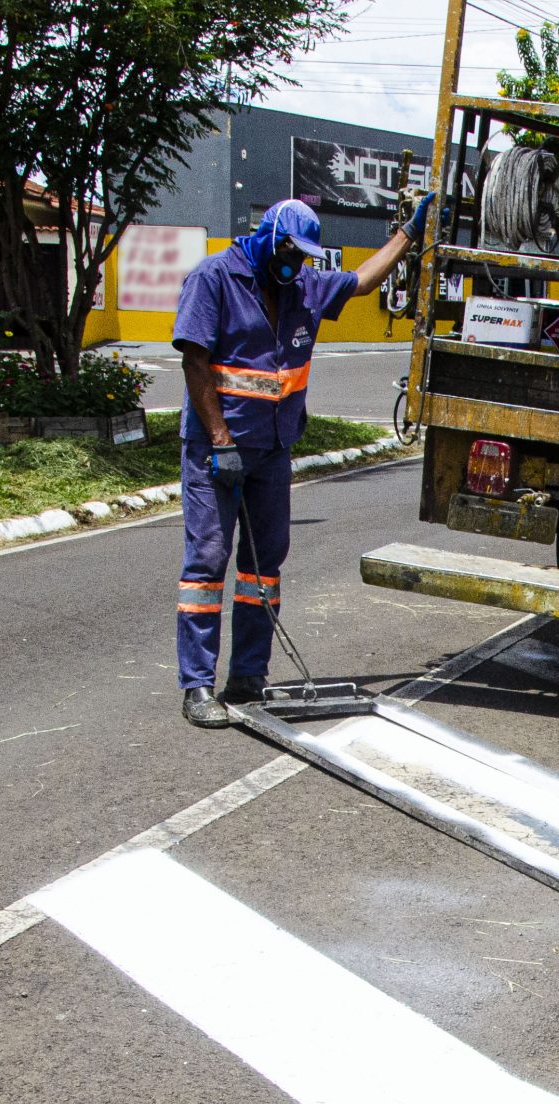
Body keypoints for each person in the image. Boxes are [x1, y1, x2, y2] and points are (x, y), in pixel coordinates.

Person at [175, 194, 433, 727]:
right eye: (290, 250)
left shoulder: (303, 287)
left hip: (271, 450)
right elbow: (195, 362)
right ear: (269, 236)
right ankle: (197, 686)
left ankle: (248, 674)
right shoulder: (214, 278)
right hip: (216, 451)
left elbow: (362, 281)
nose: (297, 263)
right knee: (208, 561)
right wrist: (221, 439)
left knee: (263, 566)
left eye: (305, 255)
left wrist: (408, 233)